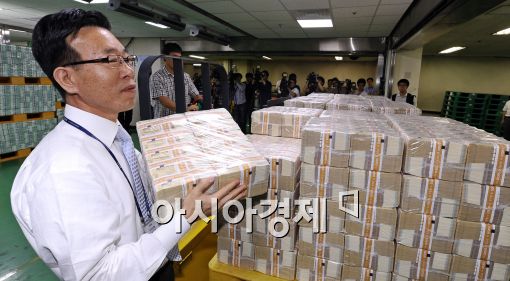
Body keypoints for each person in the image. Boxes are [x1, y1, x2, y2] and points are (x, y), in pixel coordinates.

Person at [11, 9, 247, 281]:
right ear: (67, 78)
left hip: (155, 266)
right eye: (110, 60)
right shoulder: (65, 169)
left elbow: (142, 210)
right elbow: (99, 275)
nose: (127, 71)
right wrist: (185, 217)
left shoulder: (119, 143)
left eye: (126, 58)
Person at [150, 43, 203, 118]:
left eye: (179, 57)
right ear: (165, 58)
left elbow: (196, 95)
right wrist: (185, 109)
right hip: (164, 120)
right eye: (174, 57)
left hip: (183, 118)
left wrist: (202, 102)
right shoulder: (157, 77)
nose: (177, 60)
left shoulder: (185, 76)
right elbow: (164, 101)